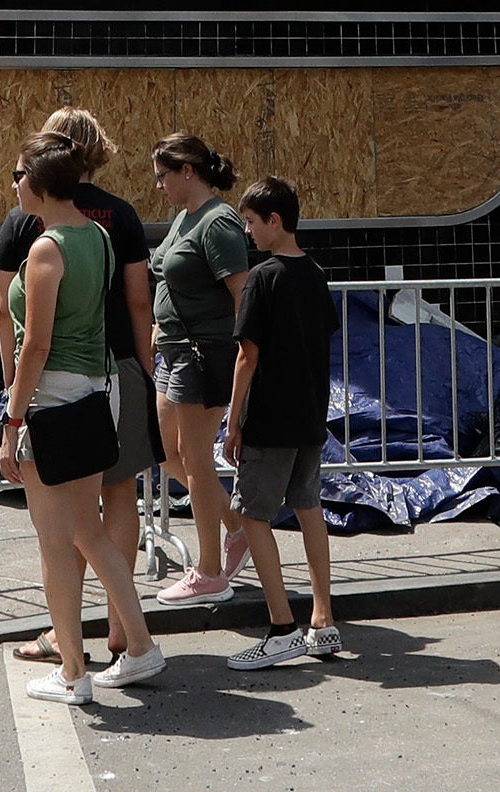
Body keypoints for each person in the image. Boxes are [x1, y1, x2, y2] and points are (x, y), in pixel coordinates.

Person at [0, 135, 165, 707]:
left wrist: (13, 420)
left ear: (40, 184)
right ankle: (137, 645)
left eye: (19, 175)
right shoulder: (97, 234)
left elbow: (35, 345)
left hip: (55, 399)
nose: (14, 184)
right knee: (87, 531)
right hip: (97, 391)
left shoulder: (47, 249)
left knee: (56, 543)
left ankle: (73, 671)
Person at [222, 177, 343, 669]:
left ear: (274, 221)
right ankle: (323, 618)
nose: (248, 231)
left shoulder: (263, 278)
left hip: (270, 416)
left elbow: (246, 355)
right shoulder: (314, 273)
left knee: (253, 514)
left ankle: (280, 627)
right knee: (309, 507)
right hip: (310, 414)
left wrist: (233, 420)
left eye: (251, 222)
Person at [148, 133, 254, 604]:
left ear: (187, 171)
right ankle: (236, 530)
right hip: (174, 349)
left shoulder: (218, 223)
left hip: (202, 353)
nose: (159, 186)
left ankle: (209, 571)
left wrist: (244, 362)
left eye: (162, 176)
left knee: (194, 461)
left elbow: (242, 295)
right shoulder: (186, 216)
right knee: (166, 451)